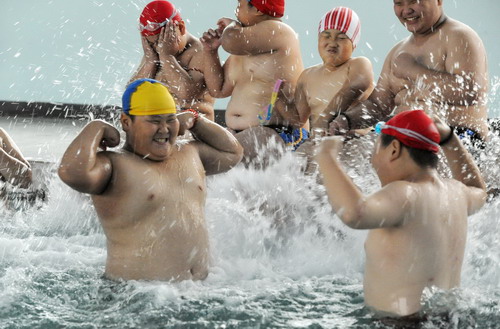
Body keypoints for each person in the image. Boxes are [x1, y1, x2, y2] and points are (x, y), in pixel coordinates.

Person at [58, 78, 243, 281]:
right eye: (154, 121)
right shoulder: (115, 166)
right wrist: (96, 127)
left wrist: (195, 119)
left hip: (196, 292)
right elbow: (71, 172)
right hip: (137, 296)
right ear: (126, 122)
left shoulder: (189, 152)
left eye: (170, 119)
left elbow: (232, 152)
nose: (164, 129)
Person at [316, 110, 487, 319]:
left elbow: (355, 213)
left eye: (376, 150)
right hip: (448, 319)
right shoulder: (457, 192)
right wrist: (451, 140)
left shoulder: (406, 193)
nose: (373, 162)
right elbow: (480, 191)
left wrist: (326, 157)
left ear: (394, 149)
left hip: (397, 323)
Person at [329, 0, 489, 145]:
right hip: (403, 138)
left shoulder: (458, 36)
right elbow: (378, 105)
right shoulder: (397, 51)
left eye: (413, 1)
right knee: (331, 152)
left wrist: (414, 71)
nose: (406, 10)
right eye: (399, 3)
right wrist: (347, 120)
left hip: (455, 138)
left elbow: (471, 92)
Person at [201, 0, 306, 167]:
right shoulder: (246, 47)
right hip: (243, 135)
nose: (236, 12)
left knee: (210, 160)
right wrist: (210, 51)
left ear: (257, 8)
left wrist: (232, 25)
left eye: (239, 6)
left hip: (277, 134)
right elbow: (218, 89)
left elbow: (230, 41)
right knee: (200, 157)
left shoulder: (280, 31)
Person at [277, 7, 374, 173]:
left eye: (342, 37)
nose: (332, 42)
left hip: (354, 140)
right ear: (318, 38)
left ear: (354, 44)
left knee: (329, 180)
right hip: (319, 142)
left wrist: (324, 120)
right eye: (326, 35)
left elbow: (355, 87)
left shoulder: (358, 65)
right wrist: (280, 99)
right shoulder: (307, 76)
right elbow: (298, 120)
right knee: (288, 173)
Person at [130, 0, 215, 121]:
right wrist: (150, 62)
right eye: (152, 43)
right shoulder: (154, 52)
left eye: (161, 41)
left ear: (181, 27)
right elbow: (131, 95)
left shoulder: (201, 52)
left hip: (195, 128)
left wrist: (167, 57)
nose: (159, 48)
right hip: (162, 126)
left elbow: (187, 95)